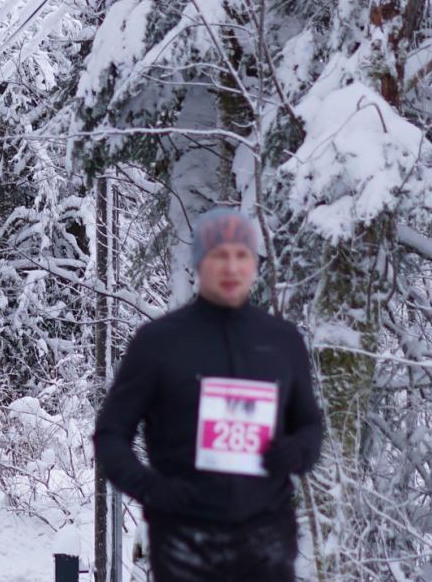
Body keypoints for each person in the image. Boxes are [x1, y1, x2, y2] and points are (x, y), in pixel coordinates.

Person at [92, 208, 323, 582]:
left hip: (267, 538)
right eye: (219, 255)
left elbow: (310, 427)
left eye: (241, 255)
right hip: (185, 539)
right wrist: (154, 490)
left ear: (255, 264)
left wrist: (296, 451)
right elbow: (110, 436)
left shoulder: (283, 342)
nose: (231, 267)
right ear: (200, 263)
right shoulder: (158, 343)